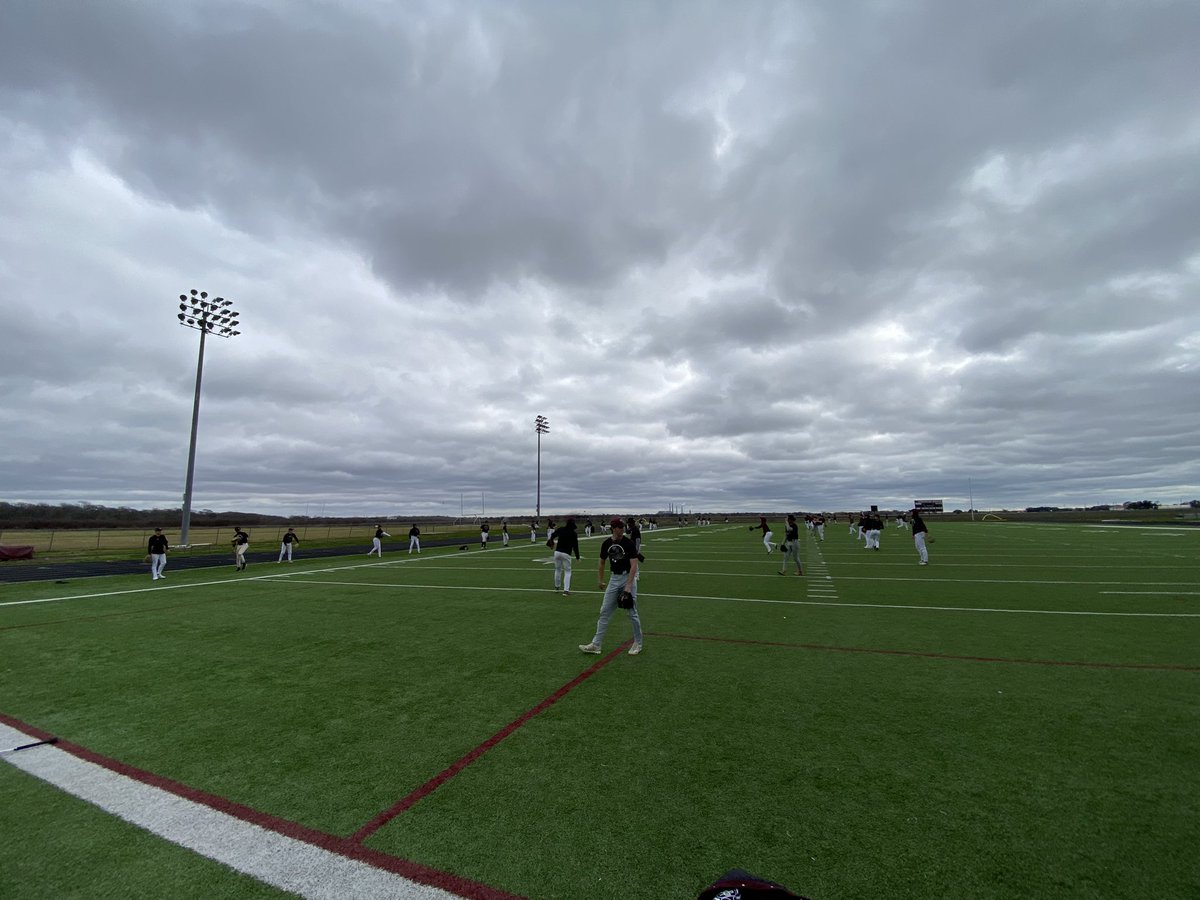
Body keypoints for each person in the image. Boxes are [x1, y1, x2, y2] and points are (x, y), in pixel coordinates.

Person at [579, 518, 644, 656]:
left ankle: (638, 643)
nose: (621, 529)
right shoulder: (606, 544)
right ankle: (596, 644)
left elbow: (634, 565)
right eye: (619, 527)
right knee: (604, 612)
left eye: (622, 526)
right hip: (614, 579)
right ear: (613, 528)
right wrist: (601, 580)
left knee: (632, 613)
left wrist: (628, 587)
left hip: (628, 578)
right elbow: (601, 562)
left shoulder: (628, 543)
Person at [548, 517, 581, 594]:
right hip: (566, 553)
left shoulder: (561, 529)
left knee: (557, 570)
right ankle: (566, 590)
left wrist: (551, 543)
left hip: (557, 552)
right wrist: (577, 557)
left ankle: (557, 587)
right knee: (568, 571)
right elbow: (575, 546)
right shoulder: (573, 533)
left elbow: (552, 535)